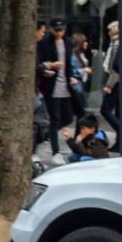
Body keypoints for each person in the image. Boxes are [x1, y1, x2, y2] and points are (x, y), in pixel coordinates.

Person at [37, 16, 78, 161]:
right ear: (51, 29)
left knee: (68, 116)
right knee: (55, 118)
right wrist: (48, 68)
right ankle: (55, 152)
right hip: (50, 85)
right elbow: (39, 63)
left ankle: (47, 132)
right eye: (57, 30)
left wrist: (72, 76)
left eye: (62, 30)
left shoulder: (67, 42)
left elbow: (68, 63)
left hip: (65, 84)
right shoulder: (44, 43)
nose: (59, 33)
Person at [100, 21, 122, 149]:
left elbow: (115, 67)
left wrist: (109, 85)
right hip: (120, 82)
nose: (108, 33)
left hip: (116, 82)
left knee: (105, 109)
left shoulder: (116, 44)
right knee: (118, 112)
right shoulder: (119, 43)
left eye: (110, 31)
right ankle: (120, 142)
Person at [69, 32, 92, 118]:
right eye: (84, 41)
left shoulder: (80, 55)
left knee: (81, 113)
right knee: (81, 112)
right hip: (75, 87)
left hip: (79, 86)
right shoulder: (74, 56)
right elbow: (72, 71)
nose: (86, 43)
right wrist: (84, 70)